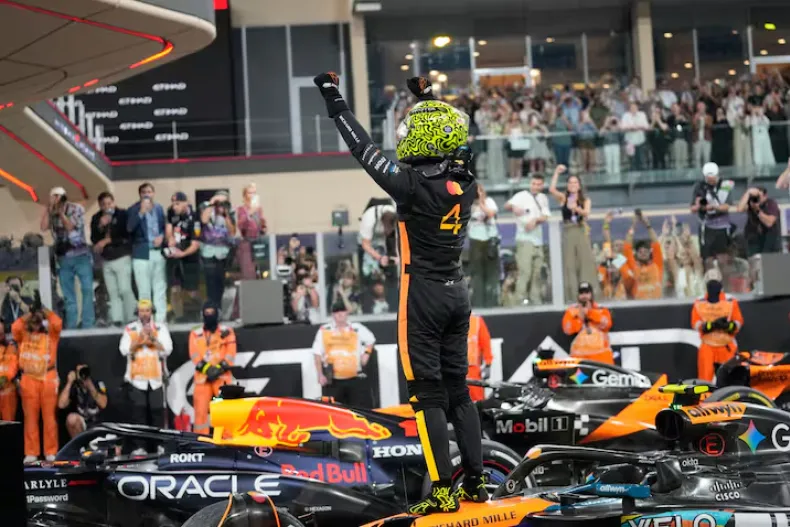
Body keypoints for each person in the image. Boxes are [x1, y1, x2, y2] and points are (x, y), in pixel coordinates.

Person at [315, 72, 486, 513]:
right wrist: (427, 96)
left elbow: (362, 148)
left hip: (422, 296)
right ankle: (476, 482)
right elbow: (447, 138)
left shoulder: (409, 185)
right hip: (458, 292)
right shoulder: (465, 180)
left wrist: (333, 97)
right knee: (460, 393)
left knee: (427, 397)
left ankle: (443, 491)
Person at [119, 300, 173, 455]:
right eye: (141, 311)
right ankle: (139, 447)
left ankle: (160, 446)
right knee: (138, 414)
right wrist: (139, 339)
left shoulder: (161, 328)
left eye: (147, 310)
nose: (144, 314)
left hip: (156, 379)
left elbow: (168, 349)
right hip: (136, 379)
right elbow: (124, 350)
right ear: (137, 312)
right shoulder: (130, 329)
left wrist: (153, 338)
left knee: (157, 414)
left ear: (152, 311)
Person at [12, 299, 62, 462]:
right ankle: (31, 452)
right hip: (28, 379)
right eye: (33, 319)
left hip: (48, 377)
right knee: (30, 418)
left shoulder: (51, 334)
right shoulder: (23, 335)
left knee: (49, 418)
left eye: (37, 318)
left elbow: (57, 323)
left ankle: (50, 451)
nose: (35, 321)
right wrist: (29, 313)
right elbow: (15, 327)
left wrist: (44, 310)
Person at [41, 187, 94, 329]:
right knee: (68, 294)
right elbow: (43, 227)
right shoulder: (52, 211)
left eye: (57, 197)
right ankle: (72, 326)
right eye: (53, 197)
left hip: (81, 255)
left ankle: (88, 324)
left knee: (87, 289)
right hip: (63, 258)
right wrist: (47, 210)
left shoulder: (76, 208)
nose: (55, 200)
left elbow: (70, 227)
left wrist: (61, 214)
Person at [549, 165, 599, 303]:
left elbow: (586, 213)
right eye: (570, 182)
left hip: (580, 229)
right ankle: (571, 296)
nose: (573, 185)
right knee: (569, 264)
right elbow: (552, 190)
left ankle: (589, 295)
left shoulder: (585, 200)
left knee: (585, 262)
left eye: (575, 182)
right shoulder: (563, 198)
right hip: (568, 230)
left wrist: (576, 208)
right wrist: (556, 172)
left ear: (579, 185)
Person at [312, 302, 375, 407]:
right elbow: (317, 353)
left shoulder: (357, 328)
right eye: (337, 312)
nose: (340, 314)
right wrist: (320, 374)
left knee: (357, 409)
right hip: (333, 379)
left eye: (342, 311)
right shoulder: (324, 330)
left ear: (347, 313)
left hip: (354, 377)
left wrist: (366, 354)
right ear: (333, 314)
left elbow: (371, 340)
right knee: (334, 410)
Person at [189, 302, 237, 435]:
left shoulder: (227, 331)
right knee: (200, 412)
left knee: (225, 411)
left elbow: (231, 354)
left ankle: (227, 440)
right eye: (207, 313)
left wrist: (218, 369)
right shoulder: (195, 333)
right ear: (202, 315)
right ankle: (201, 441)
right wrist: (208, 370)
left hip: (222, 379)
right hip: (202, 379)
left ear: (218, 314)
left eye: (212, 313)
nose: (209, 316)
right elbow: (194, 354)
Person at [90, 191, 135, 326]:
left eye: (109, 203)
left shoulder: (122, 215)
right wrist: (100, 226)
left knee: (124, 289)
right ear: (100, 205)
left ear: (113, 202)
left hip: (122, 256)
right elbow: (94, 238)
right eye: (104, 204)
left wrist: (108, 240)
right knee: (112, 291)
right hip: (107, 259)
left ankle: (131, 317)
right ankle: (117, 319)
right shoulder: (96, 218)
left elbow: (126, 235)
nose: (107, 207)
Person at [505, 174, 551, 305]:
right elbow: (507, 205)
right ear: (530, 184)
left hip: (538, 240)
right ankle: (519, 301)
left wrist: (535, 220)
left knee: (537, 272)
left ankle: (535, 300)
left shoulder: (543, 198)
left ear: (542, 185)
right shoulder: (522, 195)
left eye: (538, 184)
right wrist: (514, 208)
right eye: (534, 184)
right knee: (525, 272)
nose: (535, 186)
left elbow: (545, 215)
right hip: (524, 239)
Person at [127, 183, 167, 323]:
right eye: (144, 192)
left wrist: (162, 237)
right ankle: (146, 321)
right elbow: (129, 228)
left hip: (157, 251)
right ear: (140, 195)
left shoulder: (159, 208)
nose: (147, 194)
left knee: (160, 287)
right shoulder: (133, 209)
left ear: (153, 193)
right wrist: (141, 212)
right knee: (144, 289)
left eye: (149, 192)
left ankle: (160, 320)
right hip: (141, 252)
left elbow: (164, 227)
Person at [692, 279, 743, 381]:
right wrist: (712, 325)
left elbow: (738, 322)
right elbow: (696, 324)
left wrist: (727, 326)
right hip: (707, 345)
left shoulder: (730, 302)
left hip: (726, 345)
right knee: (704, 379)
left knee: (730, 378)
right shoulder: (699, 302)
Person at [165, 192, 202, 322]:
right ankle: (179, 317)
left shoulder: (195, 217)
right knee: (175, 289)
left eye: (177, 203)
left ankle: (201, 311)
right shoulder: (171, 212)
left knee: (192, 291)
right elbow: (169, 228)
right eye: (173, 203)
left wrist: (183, 253)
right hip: (174, 256)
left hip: (190, 257)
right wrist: (170, 238)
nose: (174, 206)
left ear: (185, 203)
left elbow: (195, 244)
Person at [690, 162, 734, 264]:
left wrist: (714, 207)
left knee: (722, 257)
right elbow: (692, 208)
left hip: (722, 227)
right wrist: (699, 206)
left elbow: (727, 206)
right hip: (706, 226)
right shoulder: (699, 186)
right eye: (708, 179)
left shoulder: (725, 185)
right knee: (707, 259)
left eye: (712, 179)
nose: (711, 181)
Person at [200, 191, 237, 308]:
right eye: (219, 202)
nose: (220, 205)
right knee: (210, 282)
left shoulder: (230, 212)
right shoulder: (206, 208)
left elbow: (232, 232)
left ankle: (218, 307)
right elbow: (204, 220)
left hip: (223, 253)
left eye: (223, 202)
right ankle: (211, 308)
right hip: (208, 252)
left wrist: (225, 214)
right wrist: (212, 204)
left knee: (220, 282)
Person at [562, 282, 614, 364]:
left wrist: (590, 313)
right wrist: (580, 318)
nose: (584, 296)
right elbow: (567, 330)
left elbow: (607, 324)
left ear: (591, 294)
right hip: (580, 359)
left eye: (587, 293)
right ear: (578, 295)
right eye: (581, 293)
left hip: (602, 357)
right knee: (577, 374)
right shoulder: (571, 311)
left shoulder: (601, 309)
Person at [468, 185, 500, 308]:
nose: (478, 194)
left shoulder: (489, 202)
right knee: (477, 273)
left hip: (490, 240)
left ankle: (492, 303)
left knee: (491, 272)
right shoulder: (468, 204)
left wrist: (482, 202)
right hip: (476, 240)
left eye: (480, 191)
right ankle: (478, 303)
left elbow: (490, 213)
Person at [621, 210, 663, 300]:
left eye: (645, 251)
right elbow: (627, 247)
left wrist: (648, 225)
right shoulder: (634, 267)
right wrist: (633, 225)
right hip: (638, 305)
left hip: (657, 305)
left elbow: (656, 245)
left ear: (650, 253)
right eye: (640, 252)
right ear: (636, 254)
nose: (643, 253)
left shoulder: (657, 265)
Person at [57, 364, 108, 438]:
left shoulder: (97, 383)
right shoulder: (75, 386)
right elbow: (61, 405)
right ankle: (81, 444)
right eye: (79, 372)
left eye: (84, 371)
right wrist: (69, 382)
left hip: (98, 423)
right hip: (82, 424)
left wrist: (90, 386)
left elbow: (103, 404)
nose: (82, 374)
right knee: (71, 419)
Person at [737, 186, 781, 257]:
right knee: (755, 261)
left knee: (769, 261)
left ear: (765, 196)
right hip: (754, 239)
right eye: (755, 197)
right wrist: (748, 193)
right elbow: (739, 209)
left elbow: (769, 223)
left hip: (770, 239)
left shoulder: (771, 204)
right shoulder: (751, 204)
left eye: (759, 196)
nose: (757, 199)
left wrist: (757, 210)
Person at [235, 183, 267, 280]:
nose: (252, 195)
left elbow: (262, 225)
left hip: (259, 242)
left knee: (261, 270)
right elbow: (241, 225)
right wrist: (250, 213)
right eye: (250, 193)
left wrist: (263, 226)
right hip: (247, 243)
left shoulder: (259, 209)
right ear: (245, 195)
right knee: (248, 272)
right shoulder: (241, 209)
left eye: (254, 193)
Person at [466, 314, 492, 402]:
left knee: (477, 400)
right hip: (451, 369)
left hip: (472, 370)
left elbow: (485, 343)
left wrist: (488, 364)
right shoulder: (446, 318)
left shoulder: (476, 320)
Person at [0, 322, 18, 420]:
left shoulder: (11, 348)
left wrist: (3, 380)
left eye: (1, 333)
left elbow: (13, 368)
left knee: (8, 425)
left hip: (8, 395)